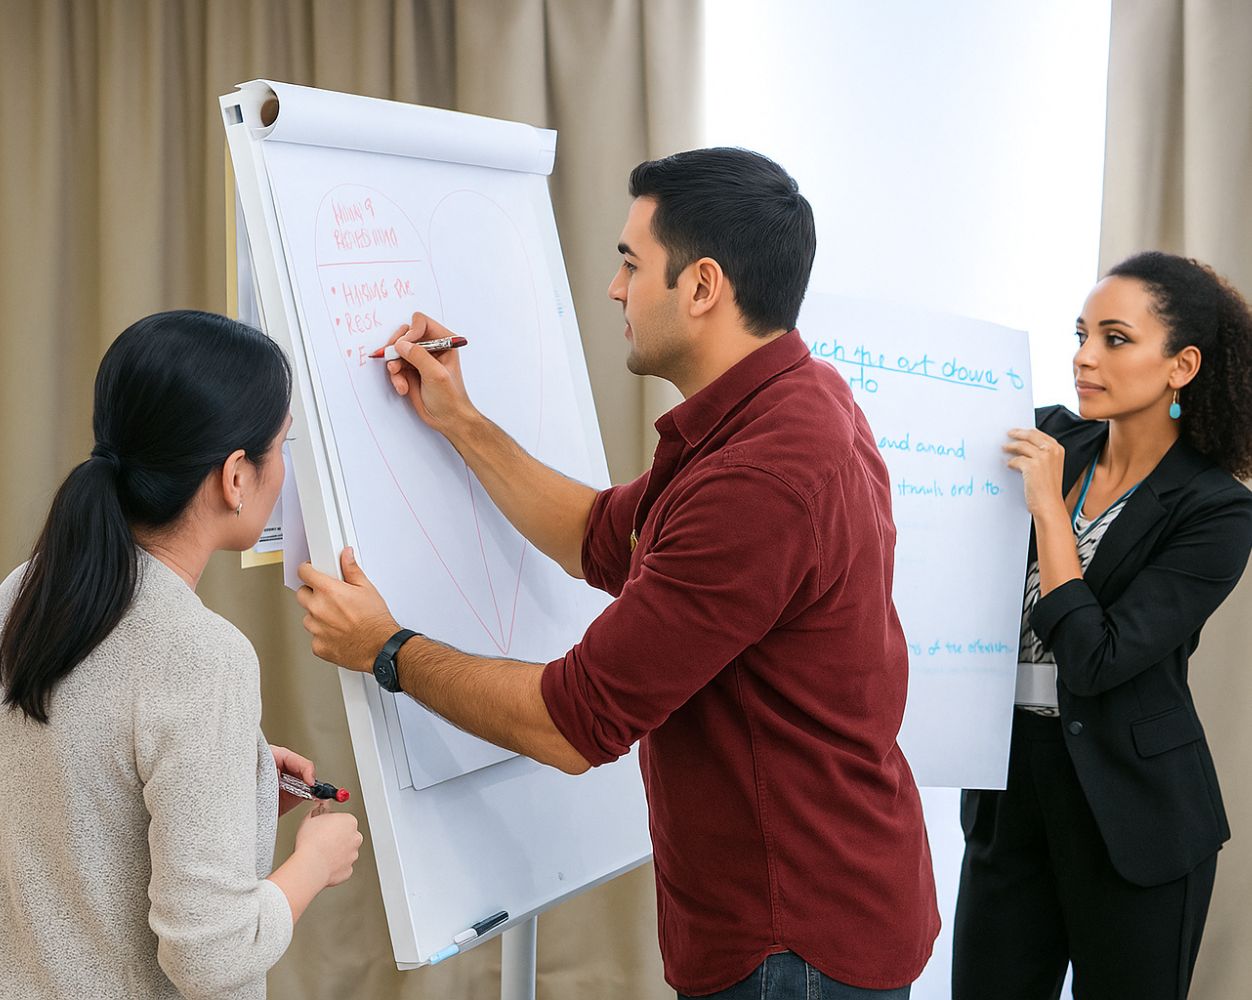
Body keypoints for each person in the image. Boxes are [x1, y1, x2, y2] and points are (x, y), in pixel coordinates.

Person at [296, 147, 939, 998]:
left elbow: (572, 725)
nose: (614, 288)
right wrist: (461, 421)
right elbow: (601, 535)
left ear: (702, 286)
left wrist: (386, 649)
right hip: (815, 910)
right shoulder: (790, 400)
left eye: (632, 263)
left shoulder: (760, 479)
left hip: (793, 945)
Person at [0, 311, 362, 1000]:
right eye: (282, 446)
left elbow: (69, 788)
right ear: (235, 477)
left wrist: (232, 788)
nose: (286, 471)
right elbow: (209, 956)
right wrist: (313, 864)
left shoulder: (24, 592)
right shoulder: (204, 657)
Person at [952, 252, 1252, 999]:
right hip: (1011, 793)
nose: (1084, 357)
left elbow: (1096, 657)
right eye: (1081, 334)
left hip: (1135, 813)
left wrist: (1049, 511)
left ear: (1182, 365)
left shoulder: (1217, 511)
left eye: (1115, 338)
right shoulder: (1051, 439)